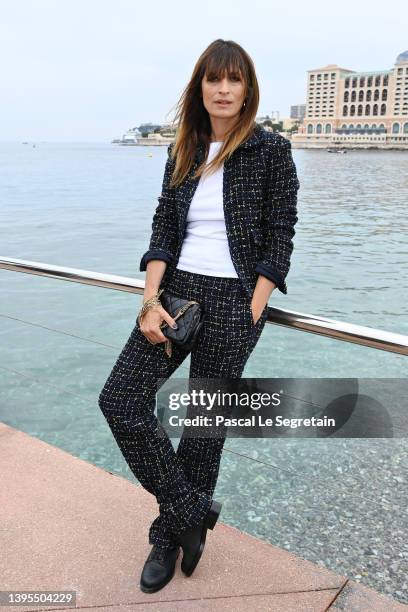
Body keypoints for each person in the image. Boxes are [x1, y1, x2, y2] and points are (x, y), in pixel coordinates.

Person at [98, 38, 300, 594]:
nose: (224, 89)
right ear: (201, 87)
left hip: (236, 302)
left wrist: (253, 309)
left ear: (248, 89)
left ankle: (168, 535)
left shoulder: (270, 150)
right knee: (119, 399)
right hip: (177, 296)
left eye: (235, 80)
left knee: (204, 431)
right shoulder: (183, 148)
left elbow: (280, 237)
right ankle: (191, 512)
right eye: (215, 80)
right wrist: (150, 301)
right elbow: (164, 229)